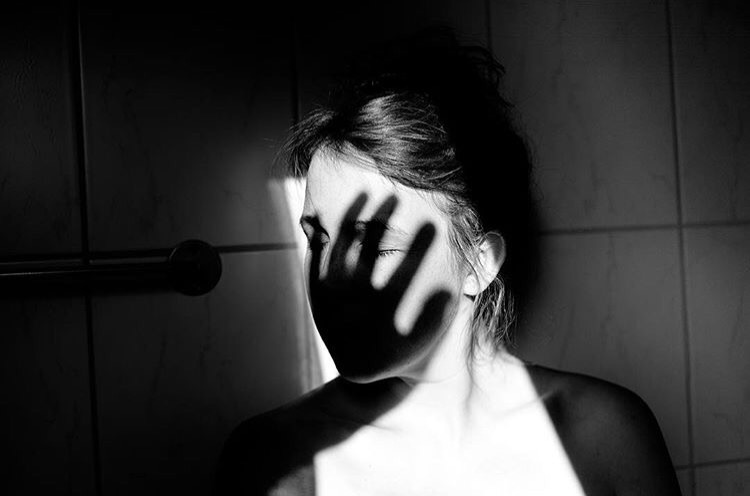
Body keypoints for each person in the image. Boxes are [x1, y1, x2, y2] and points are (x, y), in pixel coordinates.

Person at [216, 29, 682, 496]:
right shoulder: (275, 461)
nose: (328, 278)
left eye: (376, 245)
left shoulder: (603, 434)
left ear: (480, 262)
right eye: (317, 239)